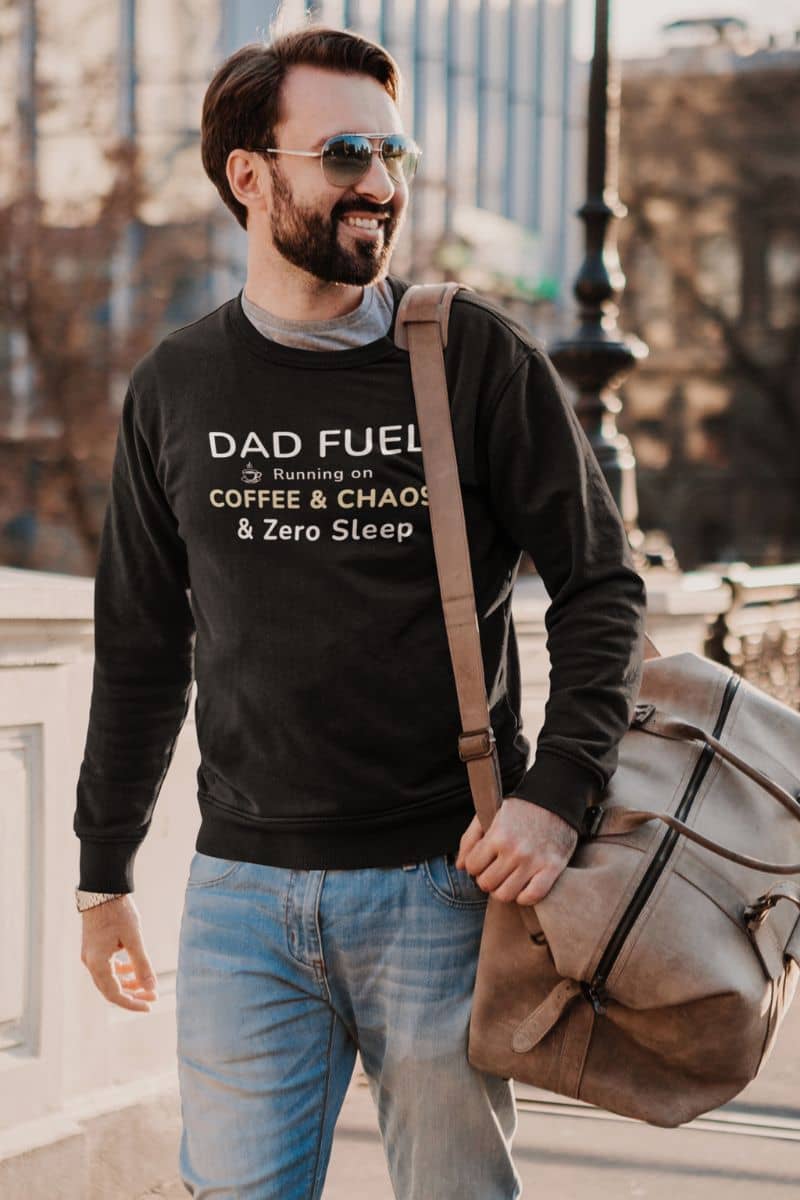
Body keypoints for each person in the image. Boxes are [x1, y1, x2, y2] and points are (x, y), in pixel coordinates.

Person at [74, 23, 646, 1200]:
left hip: (443, 883)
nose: (379, 183)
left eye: (395, 153)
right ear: (250, 173)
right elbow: (139, 644)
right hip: (237, 896)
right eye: (344, 151)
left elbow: (600, 585)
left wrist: (557, 795)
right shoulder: (177, 385)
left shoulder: (471, 356)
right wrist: (103, 873)